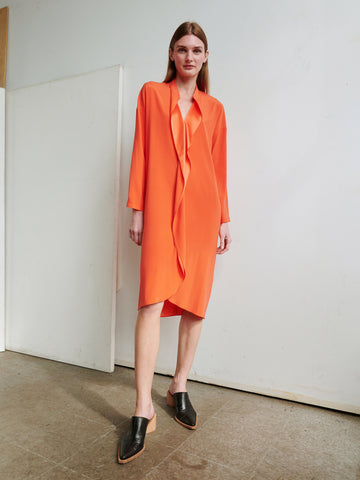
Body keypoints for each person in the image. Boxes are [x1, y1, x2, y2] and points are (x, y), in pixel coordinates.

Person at [118, 21, 231, 464]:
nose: (189, 56)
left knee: (194, 304)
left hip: (203, 215)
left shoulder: (216, 109)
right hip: (161, 209)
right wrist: (138, 209)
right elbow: (142, 152)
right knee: (150, 303)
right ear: (171, 53)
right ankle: (143, 406)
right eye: (182, 48)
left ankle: (178, 385)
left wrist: (224, 217)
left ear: (205, 57)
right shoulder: (151, 94)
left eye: (197, 49)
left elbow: (218, 168)